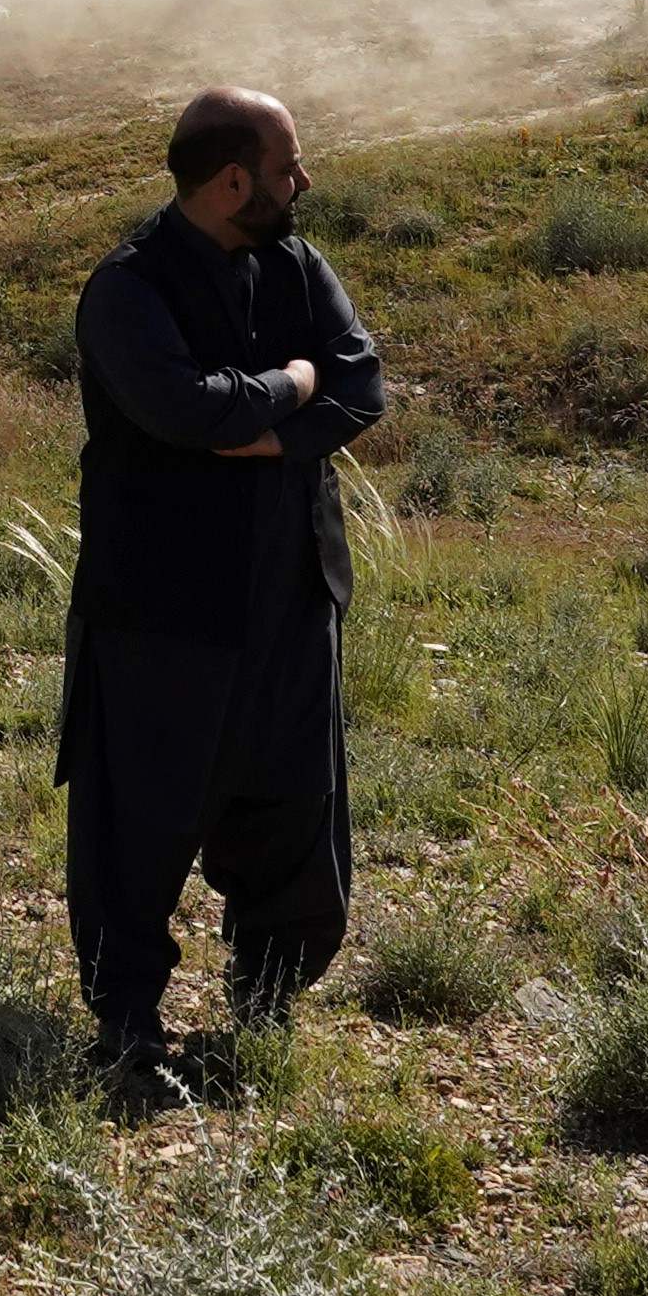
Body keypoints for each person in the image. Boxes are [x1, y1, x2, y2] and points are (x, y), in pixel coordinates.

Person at [61, 85, 392, 1106]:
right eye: (289, 166)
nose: (304, 183)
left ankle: (266, 1002)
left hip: (292, 591)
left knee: (292, 805)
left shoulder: (297, 263)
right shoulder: (128, 288)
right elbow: (180, 408)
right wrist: (290, 390)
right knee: (143, 818)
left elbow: (363, 382)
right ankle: (127, 1025)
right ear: (232, 179)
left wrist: (256, 427)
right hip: (162, 605)